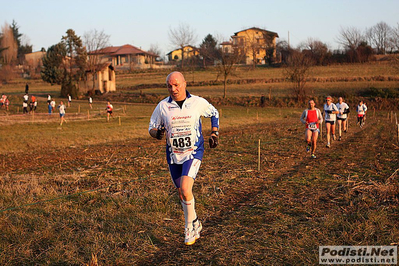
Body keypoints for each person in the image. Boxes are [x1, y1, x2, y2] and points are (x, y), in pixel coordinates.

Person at [149, 71, 219, 245]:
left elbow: (214, 113)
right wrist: (157, 134)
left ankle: (188, 228)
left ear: (185, 84)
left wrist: (214, 133)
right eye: (169, 86)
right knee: (181, 192)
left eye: (176, 85)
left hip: (193, 151)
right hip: (173, 155)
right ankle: (195, 221)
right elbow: (151, 127)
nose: (173, 89)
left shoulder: (197, 102)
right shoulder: (163, 106)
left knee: (186, 188)